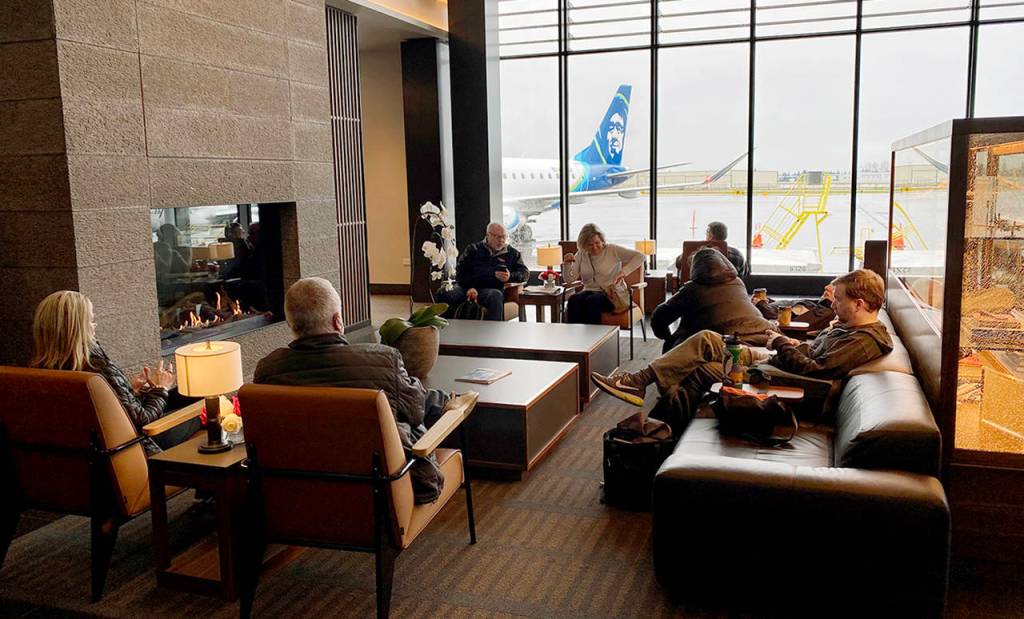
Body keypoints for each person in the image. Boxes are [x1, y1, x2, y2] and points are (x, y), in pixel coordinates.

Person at [254, 277, 467, 504]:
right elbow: (416, 412)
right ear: (338, 321)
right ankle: (445, 399)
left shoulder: (267, 371)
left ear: (291, 325)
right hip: (380, 494)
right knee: (415, 407)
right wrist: (449, 401)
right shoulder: (382, 361)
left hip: (298, 496)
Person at [592, 269, 893, 425]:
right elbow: (815, 357)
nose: (833, 303)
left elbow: (816, 370)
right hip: (780, 366)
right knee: (705, 352)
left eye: (838, 300)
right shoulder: (853, 328)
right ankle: (654, 424)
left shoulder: (863, 341)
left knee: (704, 353)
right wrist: (789, 345)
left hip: (787, 383)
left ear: (859, 303)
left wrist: (780, 344)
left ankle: (650, 417)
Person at [30, 290, 198, 455]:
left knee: (188, 395)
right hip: (135, 446)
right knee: (207, 404)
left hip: (89, 451)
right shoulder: (95, 367)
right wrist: (161, 388)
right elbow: (143, 421)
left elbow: (106, 409)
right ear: (78, 328)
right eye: (91, 320)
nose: (94, 325)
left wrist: (129, 389)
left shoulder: (40, 374)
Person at [652, 247, 772, 354]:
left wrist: (667, 337)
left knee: (674, 350)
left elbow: (659, 316)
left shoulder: (692, 289)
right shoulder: (737, 282)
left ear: (695, 268)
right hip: (761, 333)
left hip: (725, 340)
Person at [439, 223, 529, 321]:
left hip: (489, 291)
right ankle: (444, 330)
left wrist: (510, 277)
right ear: (488, 235)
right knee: (444, 292)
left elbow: (524, 273)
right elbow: (460, 273)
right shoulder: (473, 249)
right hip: (465, 288)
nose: (501, 240)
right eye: (497, 237)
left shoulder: (512, 253)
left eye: (504, 237)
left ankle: (494, 333)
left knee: (495, 295)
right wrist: (470, 287)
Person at [563, 223, 647, 324]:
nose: (594, 247)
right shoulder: (581, 254)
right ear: (584, 245)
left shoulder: (612, 250)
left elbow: (640, 256)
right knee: (573, 300)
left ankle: (595, 337)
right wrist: (567, 265)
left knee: (592, 301)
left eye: (597, 243)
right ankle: (575, 336)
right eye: (590, 245)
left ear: (602, 240)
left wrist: (624, 272)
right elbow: (569, 280)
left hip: (612, 294)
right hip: (589, 291)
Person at [675, 221, 749, 281]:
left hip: (696, 292)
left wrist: (699, 245)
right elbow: (744, 274)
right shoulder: (737, 254)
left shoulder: (696, 252)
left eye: (707, 232)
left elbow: (678, 263)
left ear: (710, 235)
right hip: (729, 293)